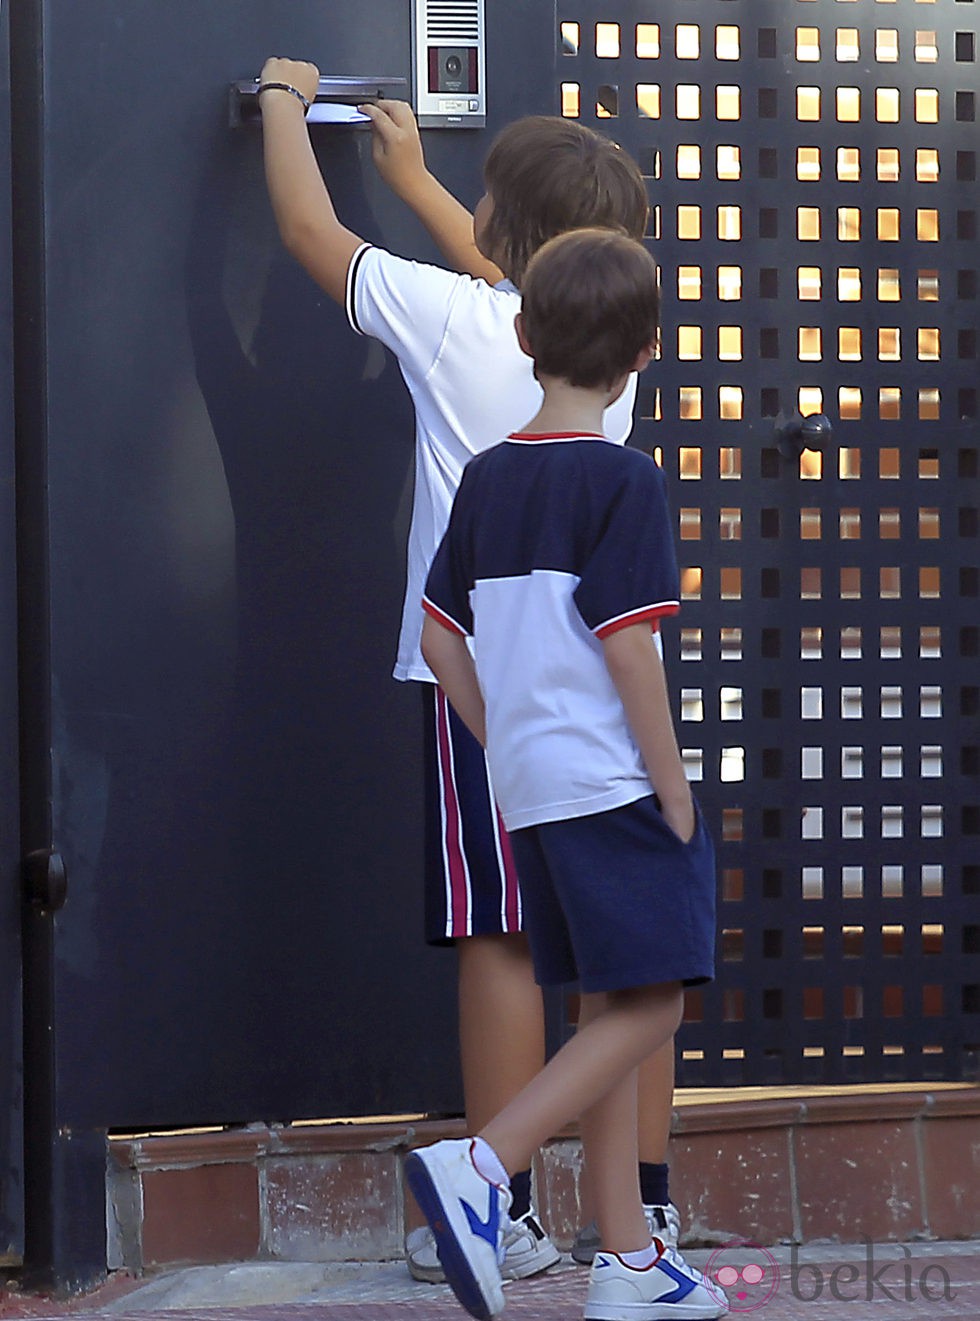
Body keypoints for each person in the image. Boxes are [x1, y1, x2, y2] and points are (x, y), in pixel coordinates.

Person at [258, 58, 684, 1279]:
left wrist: (284, 103)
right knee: (630, 951)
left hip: (484, 697)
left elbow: (306, 229)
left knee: (500, 935)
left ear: (502, 232)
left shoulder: (448, 321)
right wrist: (425, 180)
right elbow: (530, 281)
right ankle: (640, 1222)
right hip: (599, 692)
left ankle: (501, 1218)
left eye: (484, 205)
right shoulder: (610, 358)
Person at [413, 229, 725, 1321]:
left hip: (532, 786)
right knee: (658, 993)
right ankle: (481, 1166)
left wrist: (501, 734)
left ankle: (627, 1266)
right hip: (612, 780)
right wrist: (671, 782)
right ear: (646, 350)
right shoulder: (625, 481)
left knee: (609, 999)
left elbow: (438, 630)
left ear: (522, 331)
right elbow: (629, 646)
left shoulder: (489, 475)